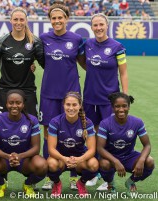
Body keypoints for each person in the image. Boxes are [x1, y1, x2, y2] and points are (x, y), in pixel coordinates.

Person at [39, 3, 86, 191]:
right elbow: (40, 60)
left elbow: (84, 63)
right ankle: (51, 177)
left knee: (75, 133)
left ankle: (74, 177)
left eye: (60, 18)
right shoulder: (43, 38)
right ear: (50, 20)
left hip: (71, 95)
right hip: (49, 94)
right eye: (53, 18)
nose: (57, 21)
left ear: (66, 19)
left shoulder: (76, 39)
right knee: (47, 134)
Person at [83, 13, 128, 189]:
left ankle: (108, 180)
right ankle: (94, 173)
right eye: (95, 25)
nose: (98, 28)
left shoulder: (117, 46)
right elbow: (83, 62)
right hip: (89, 97)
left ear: (107, 25)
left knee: (107, 138)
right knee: (91, 137)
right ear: (92, 27)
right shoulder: (87, 44)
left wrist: (124, 95)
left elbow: (123, 72)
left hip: (109, 100)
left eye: (101, 24)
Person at [0, 89, 47, 198]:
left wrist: (20, 156)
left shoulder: (32, 120)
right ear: (6, 104)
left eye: (18, 103)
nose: (14, 106)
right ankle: (0, 184)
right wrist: (7, 156)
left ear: (23, 104)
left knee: (42, 165)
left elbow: (36, 148)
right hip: (3, 159)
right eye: (11, 103)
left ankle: (28, 184)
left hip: (24, 160)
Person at [0, 7, 44, 117]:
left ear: (26, 21)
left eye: (21, 19)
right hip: (5, 89)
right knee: (2, 127)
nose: (18, 22)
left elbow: (46, 65)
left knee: (30, 127)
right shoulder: (0, 42)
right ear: (10, 20)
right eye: (15, 19)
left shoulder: (35, 41)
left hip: (27, 90)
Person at [97, 92, 155, 195]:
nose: (121, 109)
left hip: (129, 156)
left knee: (149, 161)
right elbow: (100, 148)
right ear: (112, 107)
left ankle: (131, 182)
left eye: (124, 106)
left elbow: (147, 145)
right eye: (117, 106)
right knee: (104, 164)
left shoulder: (137, 122)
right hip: (111, 157)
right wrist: (115, 161)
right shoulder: (105, 123)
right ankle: (110, 184)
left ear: (129, 107)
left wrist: (141, 160)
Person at [47, 92, 98, 196]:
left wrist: (79, 159)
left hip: (79, 160)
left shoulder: (87, 123)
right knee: (50, 163)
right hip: (60, 159)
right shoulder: (55, 122)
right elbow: (51, 149)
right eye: (68, 104)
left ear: (80, 106)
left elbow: (92, 150)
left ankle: (81, 183)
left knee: (94, 164)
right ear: (63, 105)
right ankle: (57, 183)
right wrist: (65, 159)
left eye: (74, 105)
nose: (71, 108)